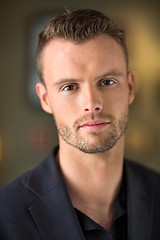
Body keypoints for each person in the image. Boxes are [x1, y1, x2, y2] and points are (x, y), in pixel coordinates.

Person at [0, 9, 160, 240]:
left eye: (107, 81)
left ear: (130, 87)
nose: (92, 104)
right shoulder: (5, 215)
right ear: (45, 99)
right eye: (69, 87)